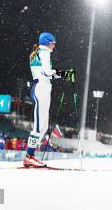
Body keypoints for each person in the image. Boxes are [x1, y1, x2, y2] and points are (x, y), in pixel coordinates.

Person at [23, 32, 74, 167]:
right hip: (41, 89)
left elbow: (47, 74)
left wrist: (63, 75)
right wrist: (63, 73)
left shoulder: (40, 52)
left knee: (43, 126)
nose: (54, 46)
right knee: (39, 126)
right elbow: (46, 72)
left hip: (43, 87)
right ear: (47, 42)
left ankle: (30, 154)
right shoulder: (44, 52)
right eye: (53, 43)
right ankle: (29, 156)